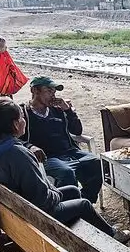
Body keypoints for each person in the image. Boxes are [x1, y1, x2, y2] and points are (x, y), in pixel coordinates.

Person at [0, 100, 128, 242]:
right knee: (84, 204)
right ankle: (112, 236)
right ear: (14, 124)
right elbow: (42, 199)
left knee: (73, 190)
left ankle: (87, 233)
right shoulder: (16, 154)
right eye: (21, 118)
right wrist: (56, 194)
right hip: (35, 215)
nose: (24, 120)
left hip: (18, 209)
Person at [19, 76, 102, 204]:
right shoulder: (23, 113)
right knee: (66, 172)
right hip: (47, 157)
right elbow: (14, 139)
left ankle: (84, 202)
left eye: (54, 92)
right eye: (48, 91)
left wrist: (68, 110)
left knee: (97, 162)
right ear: (35, 90)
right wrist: (30, 146)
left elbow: (77, 131)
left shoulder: (57, 110)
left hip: (70, 151)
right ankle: (70, 206)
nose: (53, 95)